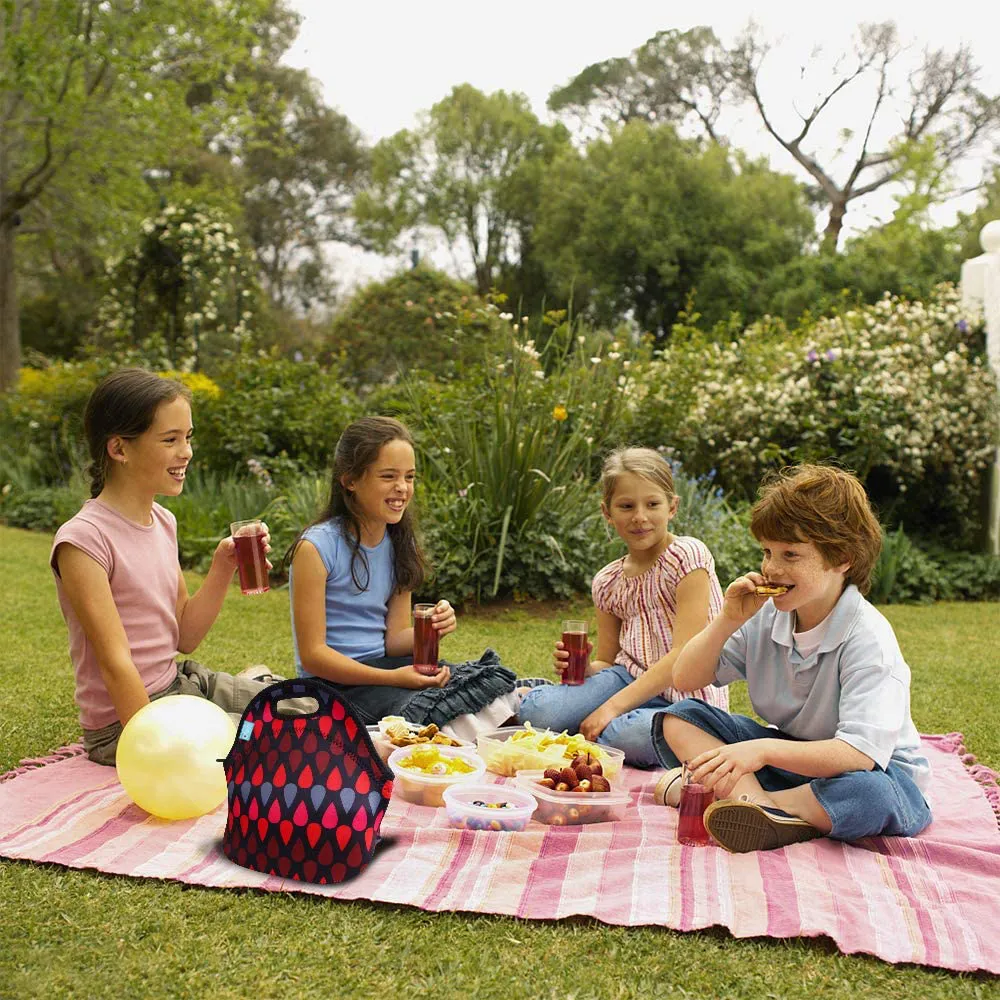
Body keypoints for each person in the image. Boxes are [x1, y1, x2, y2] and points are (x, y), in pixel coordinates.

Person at [655, 464, 932, 853]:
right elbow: (684, 677)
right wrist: (727, 619)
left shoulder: (869, 638)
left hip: (876, 771)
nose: (771, 567)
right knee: (682, 716)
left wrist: (761, 751)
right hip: (791, 759)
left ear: (842, 558)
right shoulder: (768, 613)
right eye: (767, 551)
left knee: (869, 794)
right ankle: (763, 810)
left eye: (790, 554)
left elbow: (858, 754)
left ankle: (747, 803)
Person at [51, 368, 283, 767]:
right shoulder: (83, 541)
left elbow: (185, 636)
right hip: (126, 725)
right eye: (171, 440)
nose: (187, 452)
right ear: (119, 449)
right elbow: (115, 662)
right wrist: (158, 749)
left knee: (303, 705)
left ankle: (254, 689)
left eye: (188, 438)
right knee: (271, 743)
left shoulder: (163, 521)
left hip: (180, 685)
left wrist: (222, 565)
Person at [286, 416, 519, 741]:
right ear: (350, 480)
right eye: (388, 476)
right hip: (333, 687)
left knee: (493, 693)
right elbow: (314, 655)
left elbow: (394, 639)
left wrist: (434, 629)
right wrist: (395, 677)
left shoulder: (398, 541)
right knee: (439, 718)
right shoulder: (316, 548)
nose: (402, 488)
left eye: (409, 477)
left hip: (387, 667)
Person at [518, 447, 728, 767]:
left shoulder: (688, 557)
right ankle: (592, 728)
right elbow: (608, 659)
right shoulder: (608, 581)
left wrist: (610, 708)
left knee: (627, 735)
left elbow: (684, 654)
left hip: (686, 696)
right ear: (607, 512)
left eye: (652, 504)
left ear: (672, 507)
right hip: (626, 681)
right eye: (626, 506)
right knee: (538, 711)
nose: (640, 517)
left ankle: (601, 730)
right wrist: (586, 669)